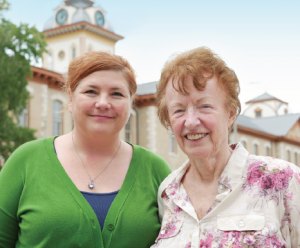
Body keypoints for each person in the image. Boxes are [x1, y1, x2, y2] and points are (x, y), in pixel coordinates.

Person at [0, 51, 171, 248]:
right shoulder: (25, 161)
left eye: (117, 93)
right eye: (91, 91)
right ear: (71, 99)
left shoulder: (156, 171)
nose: (103, 103)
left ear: (130, 103)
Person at [151, 47, 300, 248]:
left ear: (230, 113)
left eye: (204, 106)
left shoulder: (282, 180)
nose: (191, 121)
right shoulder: (168, 193)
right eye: (178, 110)